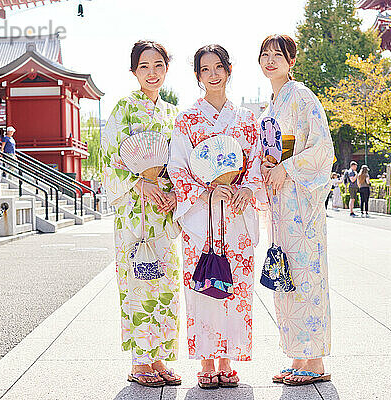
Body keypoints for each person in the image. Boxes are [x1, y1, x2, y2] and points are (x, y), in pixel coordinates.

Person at [168, 44, 264, 389]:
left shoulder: (247, 119)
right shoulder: (187, 120)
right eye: (205, 69)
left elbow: (255, 162)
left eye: (218, 67)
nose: (212, 74)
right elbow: (177, 166)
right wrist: (205, 191)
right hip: (202, 217)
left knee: (236, 285)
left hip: (236, 213)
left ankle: (228, 360)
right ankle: (207, 361)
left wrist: (248, 189)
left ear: (229, 70)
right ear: (197, 76)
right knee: (204, 286)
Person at [100, 40, 182, 388]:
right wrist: (138, 185)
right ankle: (140, 362)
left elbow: (177, 163)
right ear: (134, 71)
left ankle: (160, 358)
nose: (152, 72)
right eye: (144, 66)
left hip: (162, 212)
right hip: (135, 214)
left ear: (167, 68)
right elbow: (108, 157)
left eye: (158, 65)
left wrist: (174, 192)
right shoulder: (123, 108)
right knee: (138, 282)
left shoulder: (170, 113)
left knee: (165, 283)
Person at [258, 34, 334, 386]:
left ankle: (315, 360)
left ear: (292, 61)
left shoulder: (301, 96)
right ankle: (297, 355)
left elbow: (321, 147)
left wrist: (285, 169)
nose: (270, 60)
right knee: (286, 278)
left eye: (278, 55)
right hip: (281, 205)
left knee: (306, 276)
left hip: (301, 204)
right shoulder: (270, 104)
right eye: (265, 55)